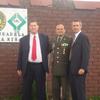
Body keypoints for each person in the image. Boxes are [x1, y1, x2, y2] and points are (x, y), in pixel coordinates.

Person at [17, 21, 51, 100]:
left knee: (41, 87)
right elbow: (20, 54)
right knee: (26, 87)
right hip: (27, 66)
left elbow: (49, 49)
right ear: (29, 27)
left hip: (40, 66)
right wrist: (19, 67)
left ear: (38, 27)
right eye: (31, 26)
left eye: (34, 25)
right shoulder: (23, 39)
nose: (33, 27)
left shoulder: (44, 38)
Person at [69, 20, 90, 100]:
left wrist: (83, 68)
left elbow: (86, 54)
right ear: (72, 27)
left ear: (80, 26)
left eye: (77, 25)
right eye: (74, 25)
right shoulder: (74, 37)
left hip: (79, 70)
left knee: (80, 92)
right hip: (72, 70)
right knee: (74, 92)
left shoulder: (83, 37)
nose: (75, 27)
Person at [51, 24, 72, 100]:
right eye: (58, 29)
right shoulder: (53, 40)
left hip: (65, 69)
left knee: (65, 91)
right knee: (55, 89)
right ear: (56, 30)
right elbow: (48, 50)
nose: (60, 30)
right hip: (55, 69)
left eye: (61, 29)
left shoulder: (69, 40)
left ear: (64, 30)